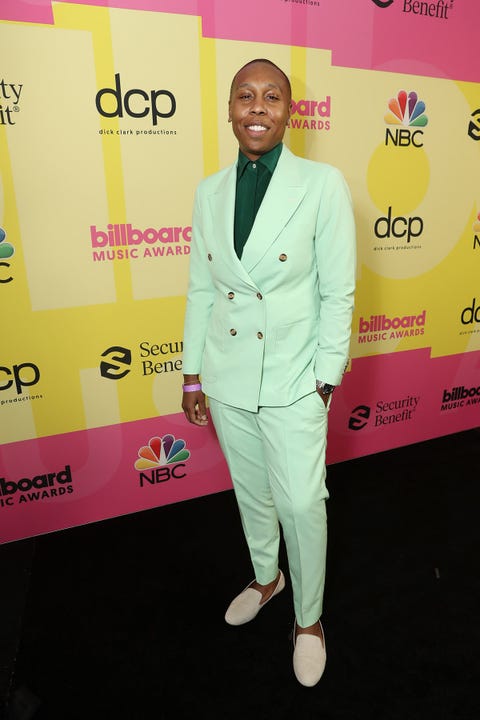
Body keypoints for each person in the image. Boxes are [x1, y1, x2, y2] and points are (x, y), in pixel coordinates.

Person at [182, 58, 356, 687]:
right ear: (230, 110)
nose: (257, 107)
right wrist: (192, 373)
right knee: (251, 492)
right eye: (245, 96)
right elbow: (202, 289)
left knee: (304, 503)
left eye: (271, 97)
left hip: (293, 378)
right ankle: (266, 578)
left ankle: (307, 621)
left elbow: (339, 292)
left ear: (290, 111)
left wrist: (326, 377)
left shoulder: (323, 183)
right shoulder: (209, 191)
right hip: (227, 376)